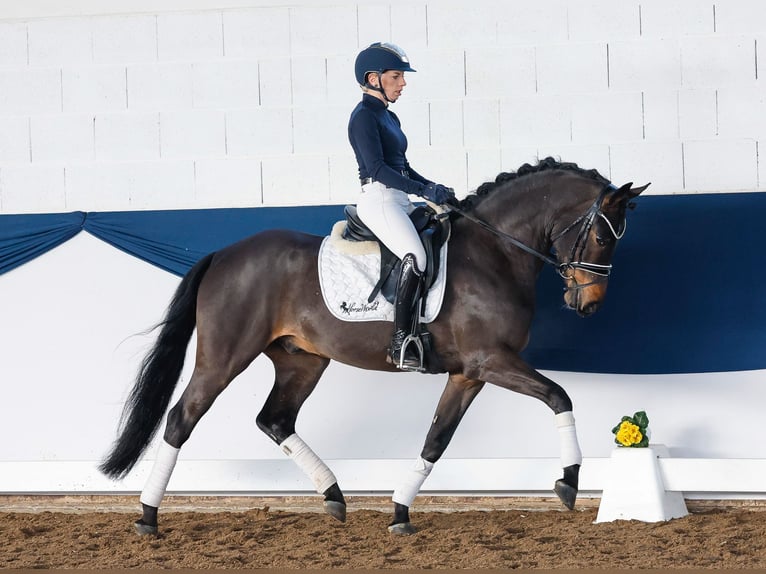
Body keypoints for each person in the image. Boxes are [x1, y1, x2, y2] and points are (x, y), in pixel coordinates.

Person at [348, 42, 457, 371]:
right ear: (373, 78)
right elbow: (380, 169)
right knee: (417, 256)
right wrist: (423, 190)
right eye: (396, 76)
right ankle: (401, 342)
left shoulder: (388, 116)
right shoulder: (363, 117)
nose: (403, 83)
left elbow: (403, 168)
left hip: (398, 196)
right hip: (379, 198)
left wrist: (433, 187)